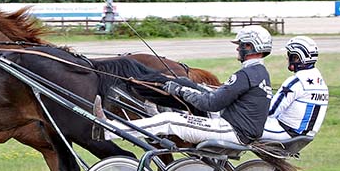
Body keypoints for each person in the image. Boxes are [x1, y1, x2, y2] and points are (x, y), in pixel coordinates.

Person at [94, 25, 273, 145]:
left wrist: (181, 90)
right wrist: (190, 87)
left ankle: (110, 130)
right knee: (176, 109)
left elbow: (211, 104)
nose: (237, 49)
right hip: (238, 129)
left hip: (229, 130)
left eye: (240, 45)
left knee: (169, 120)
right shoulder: (260, 73)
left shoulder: (245, 74)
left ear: (250, 47)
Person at [261, 36, 328, 140]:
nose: (287, 58)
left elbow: (270, 111)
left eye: (290, 55)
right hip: (304, 134)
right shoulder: (320, 81)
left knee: (240, 124)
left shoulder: (297, 81)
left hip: (286, 132)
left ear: (297, 57)